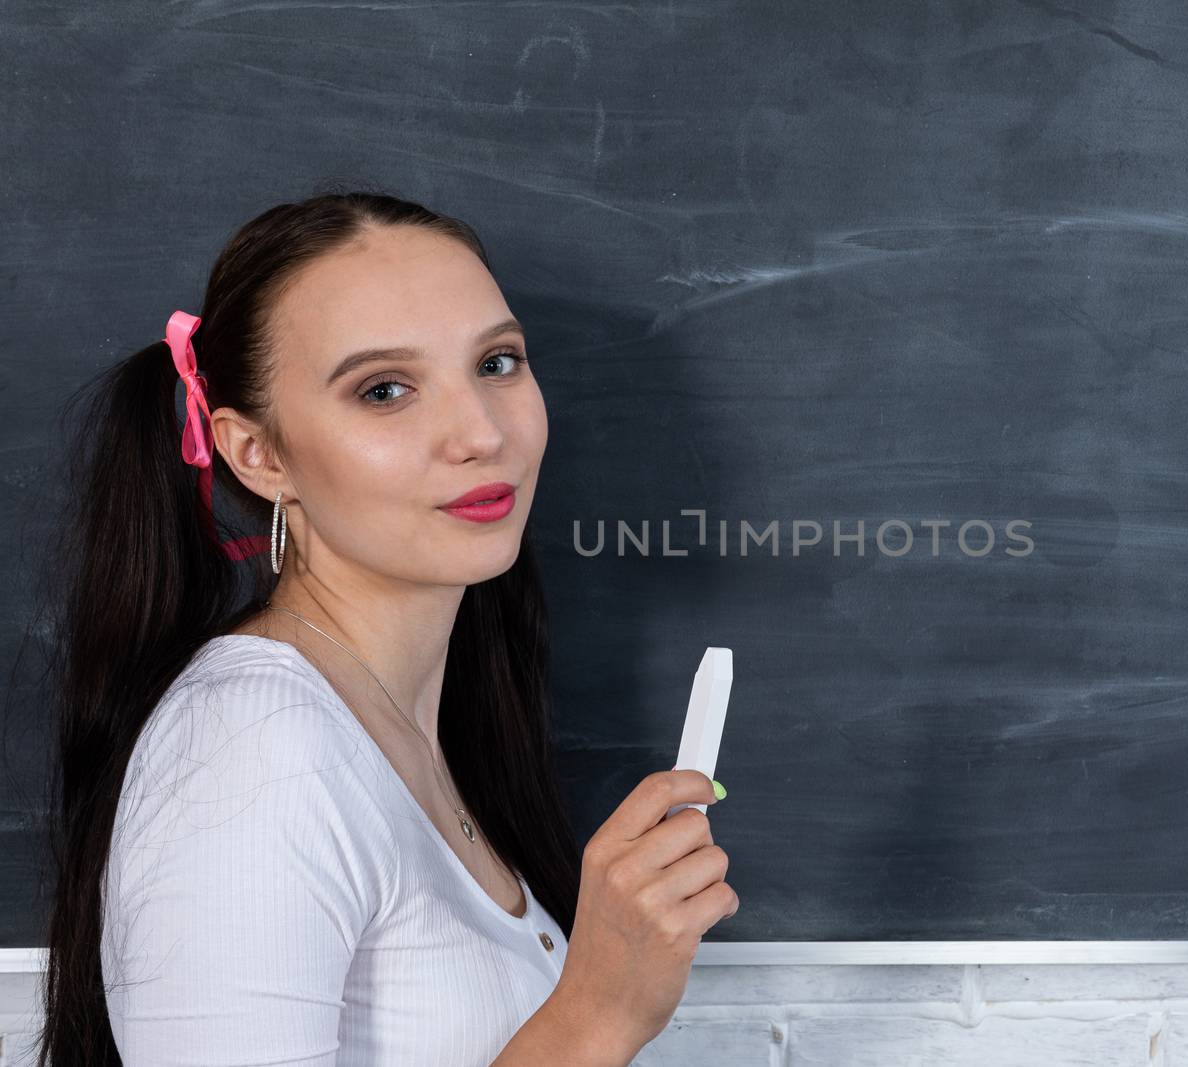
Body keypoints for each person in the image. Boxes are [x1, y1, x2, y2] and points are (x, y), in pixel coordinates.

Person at [28, 188, 737, 1066]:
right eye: (385, 389)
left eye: (498, 363)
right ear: (260, 453)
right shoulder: (254, 748)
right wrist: (598, 1013)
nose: (480, 432)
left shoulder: (415, 726)